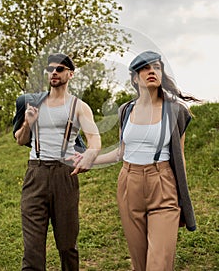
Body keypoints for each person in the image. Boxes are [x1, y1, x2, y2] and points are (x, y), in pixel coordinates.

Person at [71, 50, 199, 271]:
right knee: (139, 263)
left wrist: (181, 198)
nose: (152, 71)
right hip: (129, 185)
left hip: (163, 185)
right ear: (134, 78)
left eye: (156, 67)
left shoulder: (176, 111)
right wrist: (90, 160)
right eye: (145, 68)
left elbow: (181, 158)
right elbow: (121, 152)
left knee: (158, 264)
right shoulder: (126, 110)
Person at [13, 53, 101, 271]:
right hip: (36, 173)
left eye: (60, 69)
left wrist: (90, 154)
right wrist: (27, 124)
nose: (54, 72)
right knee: (32, 248)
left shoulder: (79, 106)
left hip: (64, 175)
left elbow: (95, 139)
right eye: (51, 68)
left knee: (67, 244)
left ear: (70, 74)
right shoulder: (34, 103)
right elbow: (20, 140)